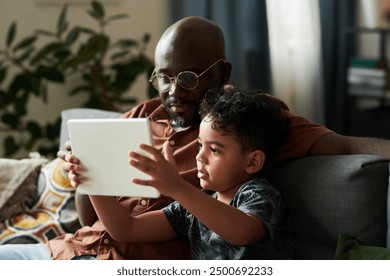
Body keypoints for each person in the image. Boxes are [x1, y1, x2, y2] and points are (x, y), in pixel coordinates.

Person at [0, 15, 389, 260]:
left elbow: (343, 145)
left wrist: (176, 185)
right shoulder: (144, 114)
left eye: (188, 78)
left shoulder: (240, 121)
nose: (173, 91)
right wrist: (88, 172)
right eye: (164, 77)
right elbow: (101, 220)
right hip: (73, 248)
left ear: (222, 72)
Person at [88, 87, 294, 259]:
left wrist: (177, 188)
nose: (200, 157)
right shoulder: (192, 207)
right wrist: (91, 180)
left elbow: (243, 231)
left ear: (253, 162)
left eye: (214, 150)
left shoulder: (258, 194)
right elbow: (126, 229)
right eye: (200, 146)